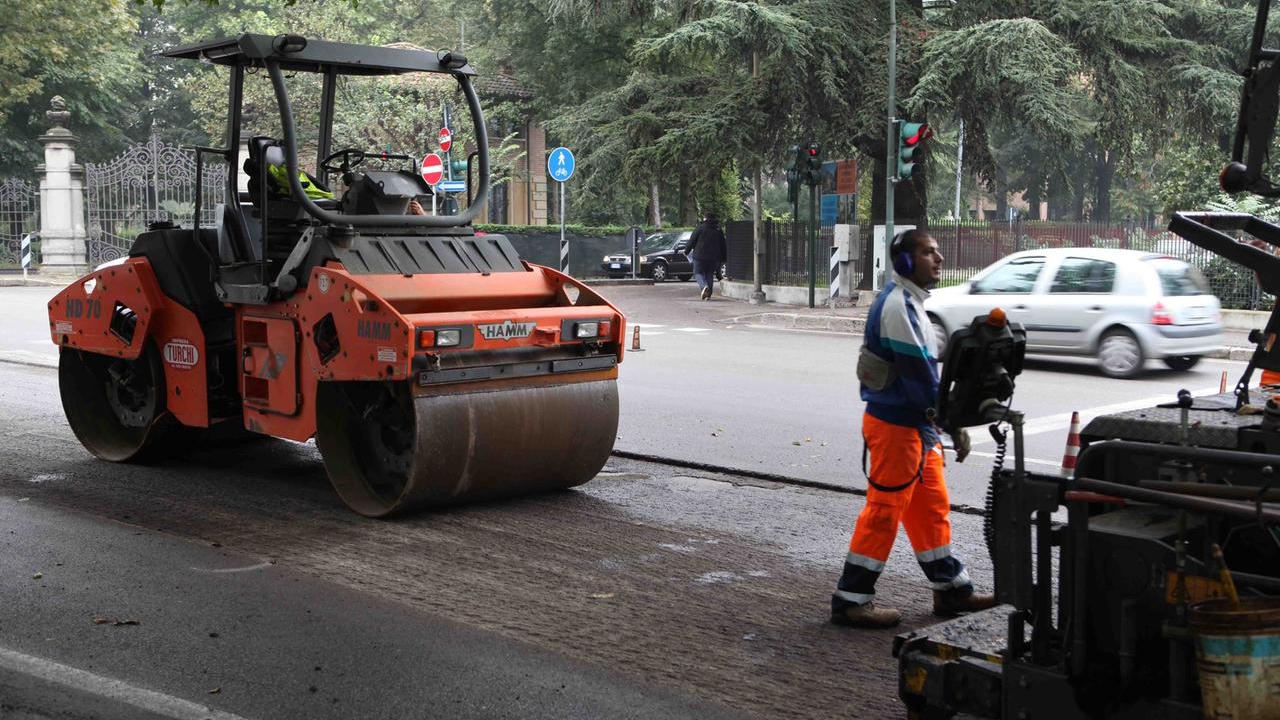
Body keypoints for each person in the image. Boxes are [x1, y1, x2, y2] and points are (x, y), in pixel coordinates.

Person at [831, 229, 997, 628]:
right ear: (905, 263)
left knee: (931, 510)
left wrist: (943, 425)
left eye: (938, 251)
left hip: (917, 429)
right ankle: (851, 599)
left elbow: (926, 380)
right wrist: (953, 423)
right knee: (884, 512)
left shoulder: (913, 304)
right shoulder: (896, 308)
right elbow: (920, 377)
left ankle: (951, 590)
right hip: (895, 429)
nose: (938, 258)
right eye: (927, 252)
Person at [684, 212, 727, 300]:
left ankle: (704, 287)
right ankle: (708, 294)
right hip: (714, 257)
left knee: (698, 273)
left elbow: (692, 240)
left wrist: (686, 251)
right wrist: (724, 258)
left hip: (700, 255)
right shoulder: (718, 229)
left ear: (705, 218)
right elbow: (723, 244)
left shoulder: (700, 228)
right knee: (709, 274)